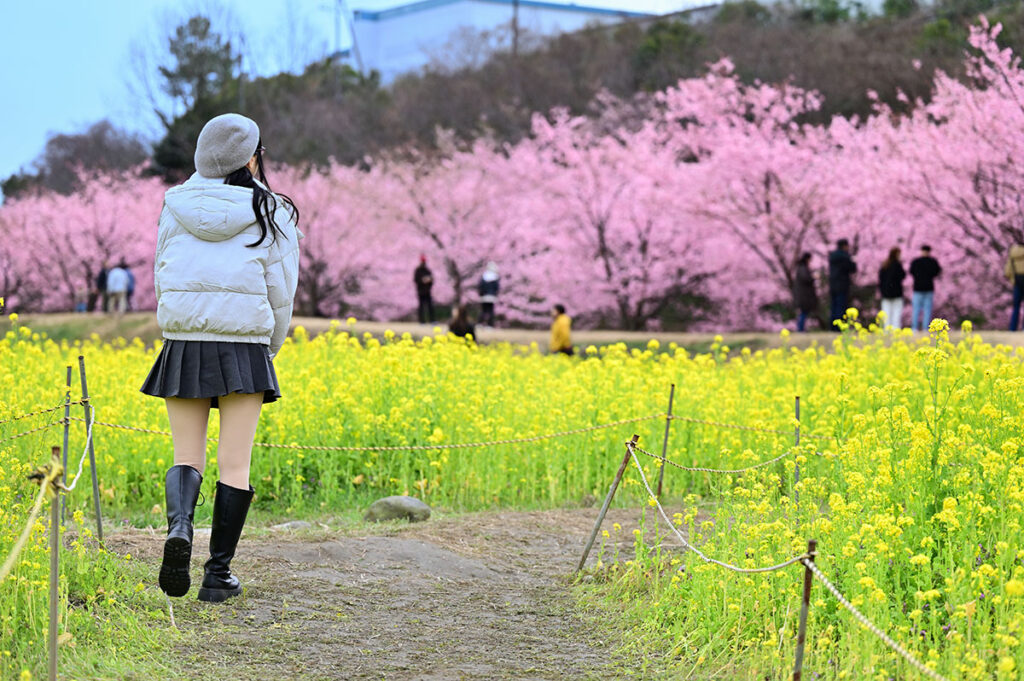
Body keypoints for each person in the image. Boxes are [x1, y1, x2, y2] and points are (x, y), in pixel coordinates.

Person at [140, 113, 302, 603]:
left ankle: (181, 530)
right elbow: (281, 290)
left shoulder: (174, 204)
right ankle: (218, 575)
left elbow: (161, 273)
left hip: (184, 342)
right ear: (252, 157)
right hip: (243, 346)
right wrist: (270, 345)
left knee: (186, 455)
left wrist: (177, 326)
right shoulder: (270, 210)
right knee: (236, 463)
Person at [909, 245, 942, 332]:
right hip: (928, 288)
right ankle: (925, 328)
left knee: (917, 309)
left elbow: (911, 271)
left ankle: (915, 328)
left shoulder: (916, 262)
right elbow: (937, 271)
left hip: (918, 288)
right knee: (926, 309)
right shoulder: (932, 262)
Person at [828, 238, 857, 330]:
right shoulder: (845, 256)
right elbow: (852, 269)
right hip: (842, 284)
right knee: (841, 306)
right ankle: (840, 327)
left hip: (833, 284)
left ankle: (833, 326)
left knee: (834, 306)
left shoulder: (832, 256)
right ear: (844, 246)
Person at [877, 247, 906, 329]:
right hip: (896, 293)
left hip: (886, 293)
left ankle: (886, 330)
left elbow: (880, 278)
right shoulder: (897, 265)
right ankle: (895, 330)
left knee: (886, 313)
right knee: (897, 313)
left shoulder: (885, 265)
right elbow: (903, 275)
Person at [793, 252, 817, 332]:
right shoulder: (803, 268)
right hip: (804, 295)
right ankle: (800, 329)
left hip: (803, 295)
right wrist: (813, 277)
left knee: (803, 312)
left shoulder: (801, 267)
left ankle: (801, 328)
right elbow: (806, 278)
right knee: (803, 312)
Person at [1005, 242, 1024, 330]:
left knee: (1016, 306)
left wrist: (1012, 278)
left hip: (1017, 281)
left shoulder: (1013, 252)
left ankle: (1012, 328)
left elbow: (1007, 271)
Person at [478, 262, 500, 327]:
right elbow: (497, 288)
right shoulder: (495, 277)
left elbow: (480, 286)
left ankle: (480, 323)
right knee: (490, 311)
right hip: (492, 296)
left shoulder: (484, 276)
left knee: (483, 310)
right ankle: (490, 324)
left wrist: (481, 294)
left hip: (484, 296)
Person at [414, 256, 434, 324]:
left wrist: (429, 281)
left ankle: (432, 320)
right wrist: (422, 281)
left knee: (430, 306)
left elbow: (432, 280)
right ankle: (422, 321)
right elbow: (416, 280)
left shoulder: (428, 270)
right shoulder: (418, 270)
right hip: (421, 291)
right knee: (421, 306)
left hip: (428, 291)